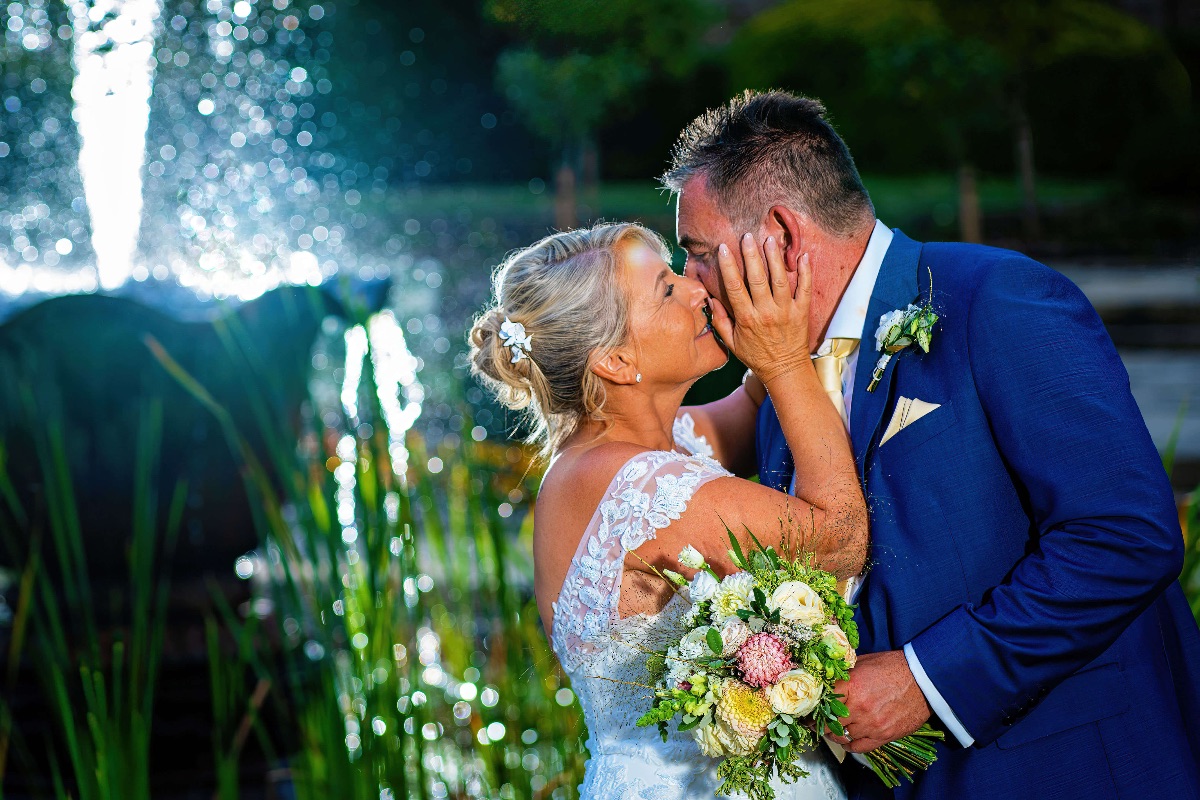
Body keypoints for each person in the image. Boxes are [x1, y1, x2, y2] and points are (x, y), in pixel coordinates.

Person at [662, 89, 1200, 799]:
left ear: (783, 237)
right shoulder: (779, 383)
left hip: (1068, 770)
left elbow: (1127, 535)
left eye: (698, 254)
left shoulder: (997, 299)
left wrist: (926, 679)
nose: (693, 285)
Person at [469, 222, 868, 799]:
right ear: (616, 359)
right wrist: (784, 362)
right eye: (665, 289)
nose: (696, 289)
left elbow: (757, 401)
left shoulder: (639, 450)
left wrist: (770, 319)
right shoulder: (645, 487)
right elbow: (839, 537)